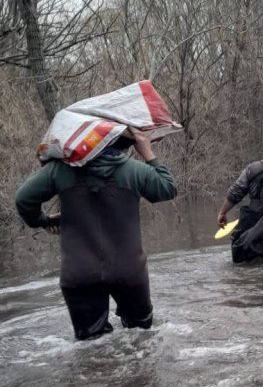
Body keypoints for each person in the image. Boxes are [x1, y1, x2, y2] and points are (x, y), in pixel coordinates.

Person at [15, 129, 177, 340]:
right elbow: (167, 188)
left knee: (91, 346)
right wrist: (148, 152)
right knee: (142, 336)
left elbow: (23, 199)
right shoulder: (134, 170)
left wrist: (43, 221)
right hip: (128, 271)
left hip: (80, 273)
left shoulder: (59, 170)